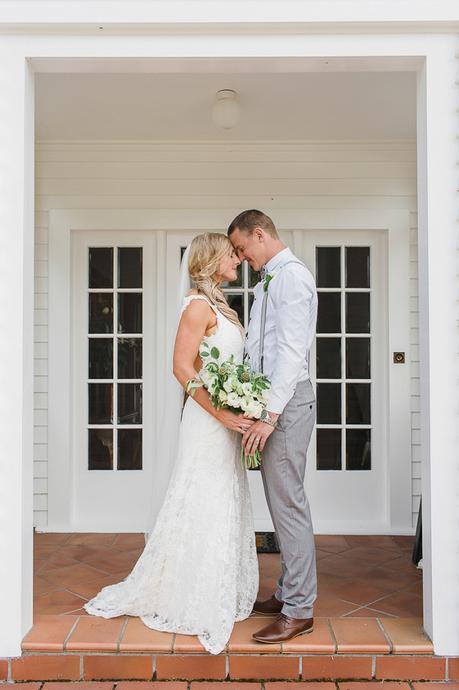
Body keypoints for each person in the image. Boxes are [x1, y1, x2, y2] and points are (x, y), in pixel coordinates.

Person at [84, 233, 259, 655]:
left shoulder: (223, 308)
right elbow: (181, 367)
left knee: (224, 496)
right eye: (231, 255)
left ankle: (217, 580)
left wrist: (245, 401)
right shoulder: (197, 306)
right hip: (207, 421)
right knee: (200, 496)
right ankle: (189, 590)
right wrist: (221, 412)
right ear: (212, 260)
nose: (238, 260)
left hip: (228, 419)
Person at [228, 209, 318, 644]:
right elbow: (260, 348)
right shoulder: (270, 279)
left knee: (288, 505)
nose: (242, 258)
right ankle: (287, 593)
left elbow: (290, 353)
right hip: (273, 402)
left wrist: (268, 414)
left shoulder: (292, 277)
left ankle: (300, 609)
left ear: (259, 234)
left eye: (243, 249)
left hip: (286, 403)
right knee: (281, 503)